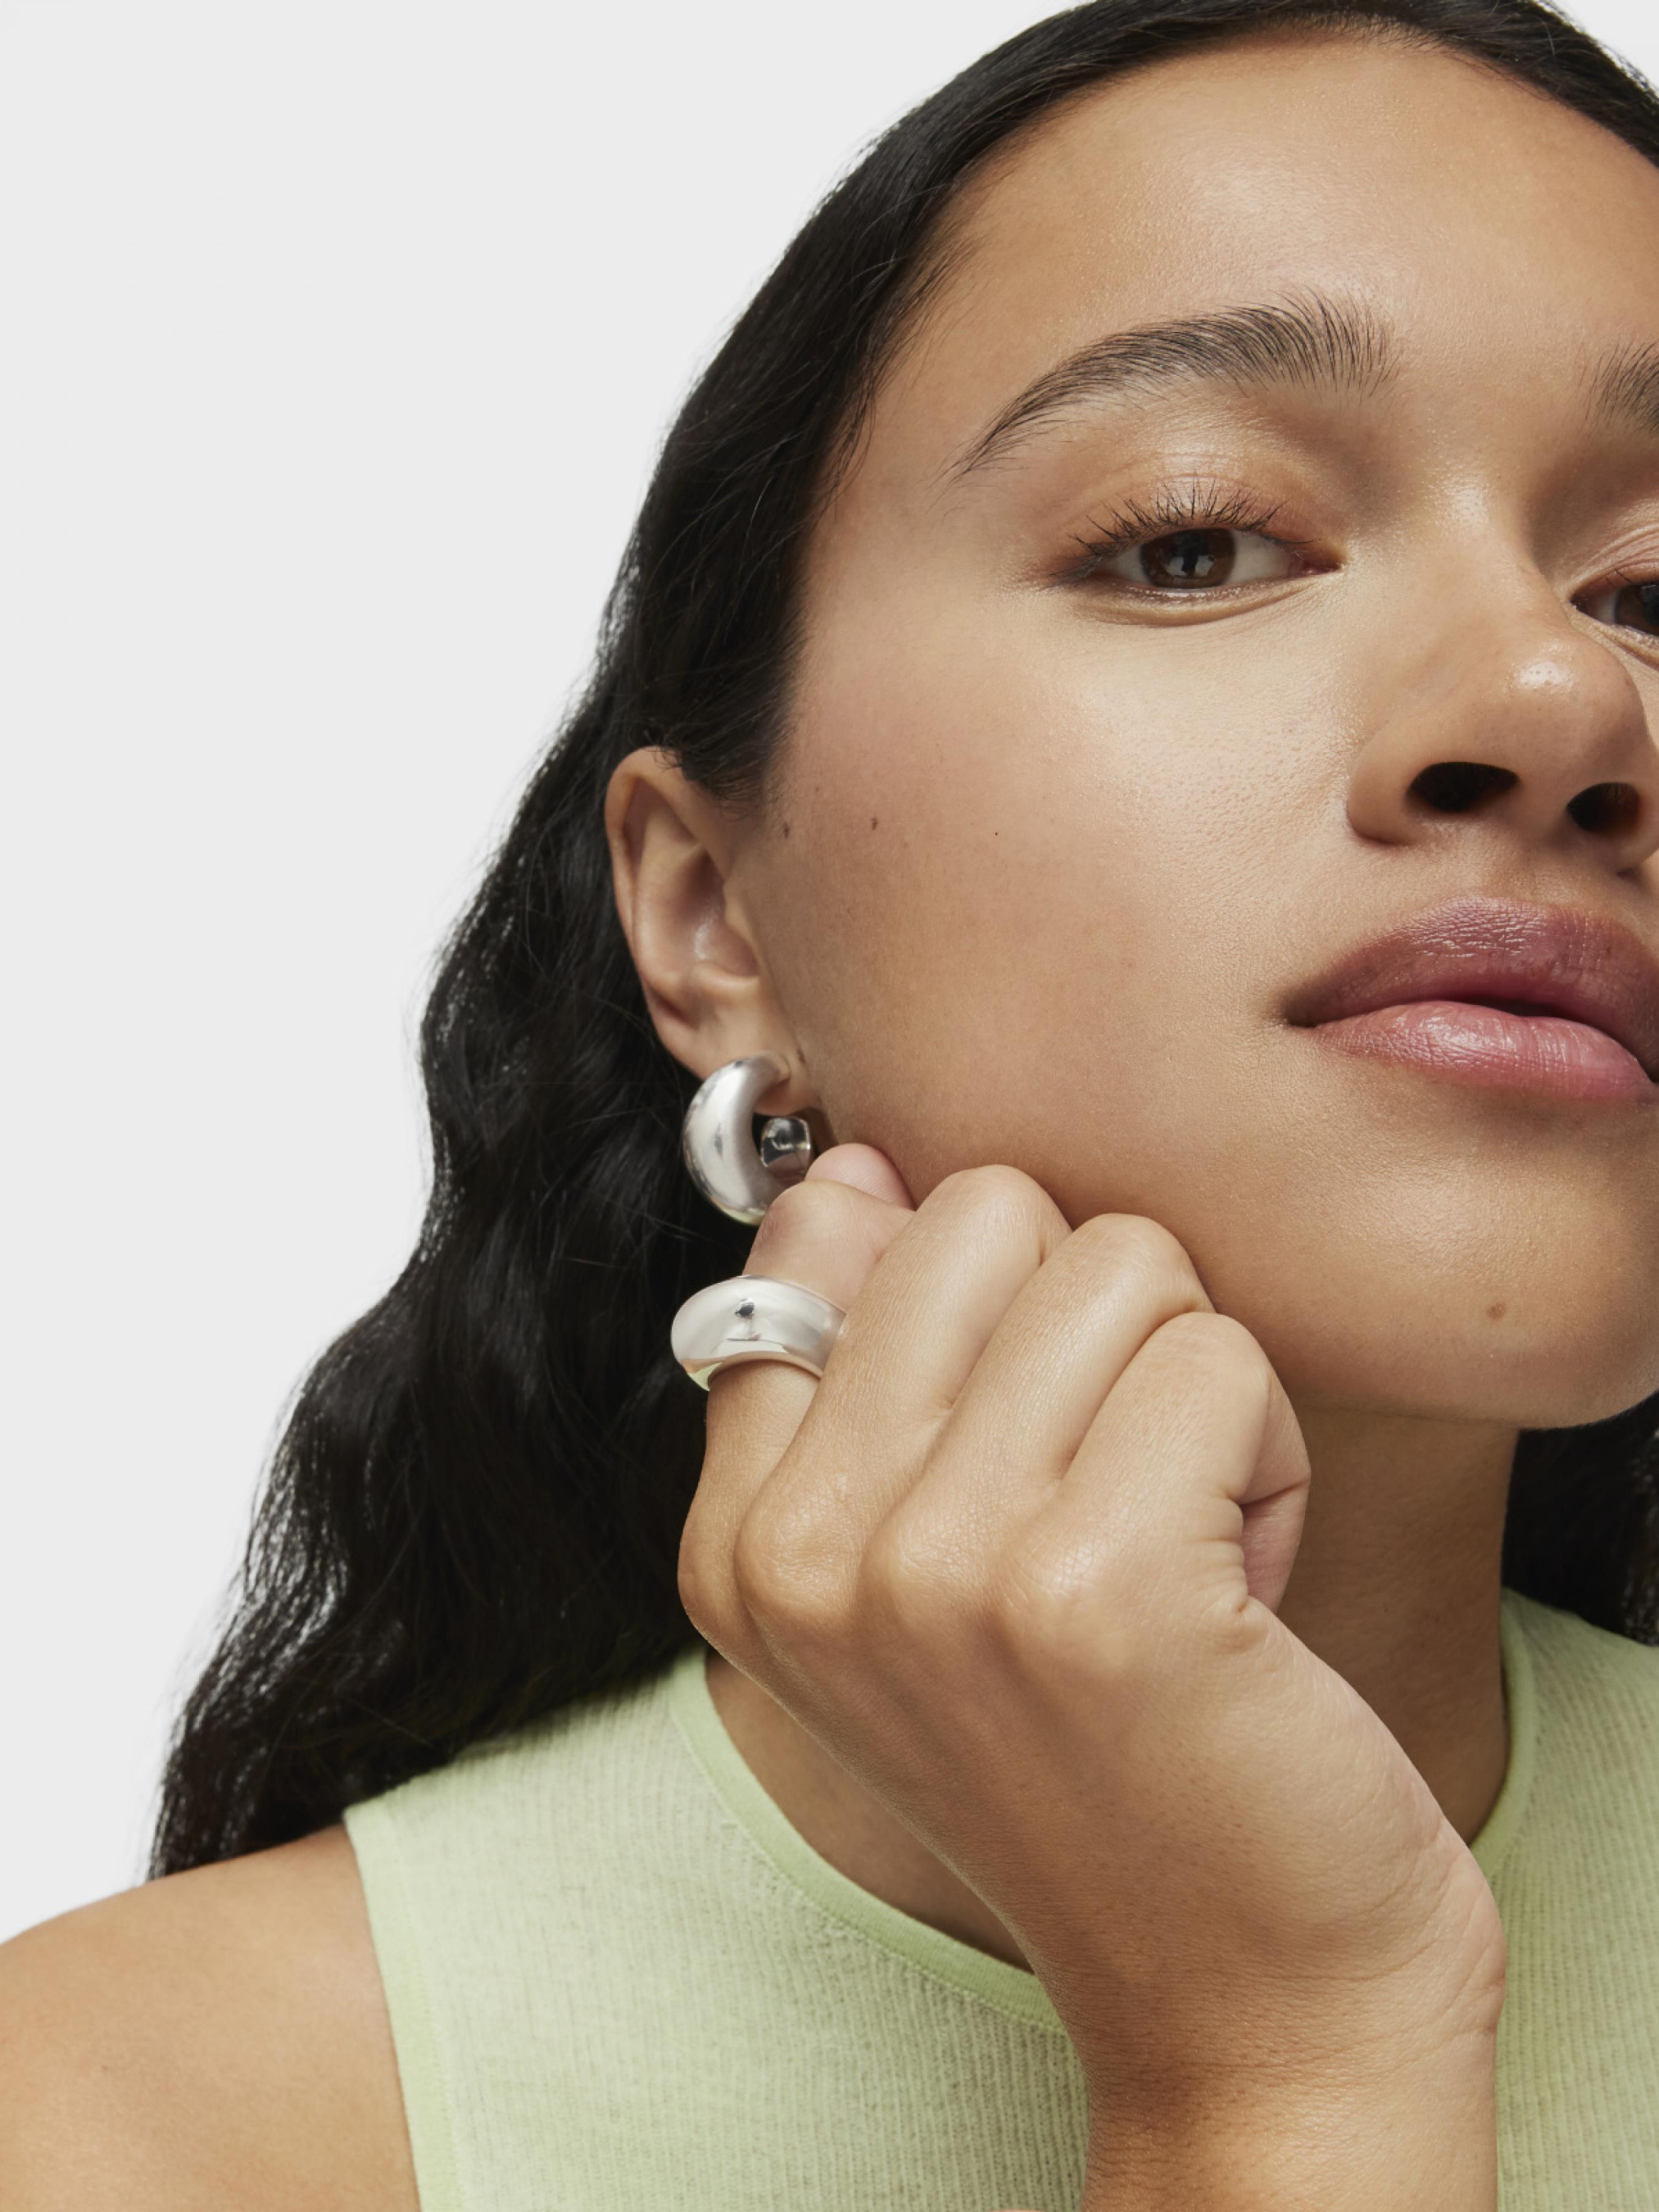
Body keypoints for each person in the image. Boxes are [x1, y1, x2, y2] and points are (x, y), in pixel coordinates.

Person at [5, 0, 1659, 2203]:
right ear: (713, 916)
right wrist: (1283, 2057)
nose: (1562, 695)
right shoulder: (124, 2122)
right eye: (1192, 543)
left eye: (1654, 592)